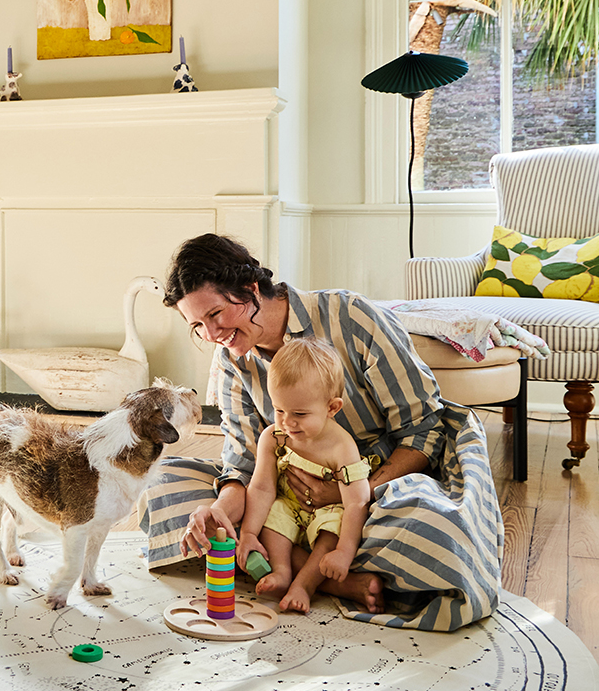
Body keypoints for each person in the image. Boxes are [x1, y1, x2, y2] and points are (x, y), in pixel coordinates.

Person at [141, 233, 504, 632]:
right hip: (281, 495)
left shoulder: (351, 317)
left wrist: (350, 492)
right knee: (163, 489)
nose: (211, 335)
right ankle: (339, 579)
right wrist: (219, 515)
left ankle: (307, 566)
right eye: (198, 326)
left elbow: (422, 430)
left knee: (435, 528)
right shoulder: (232, 361)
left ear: (249, 289)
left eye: (215, 315)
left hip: (377, 484)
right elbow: (243, 464)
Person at [236, 336, 371, 613]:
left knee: (334, 524)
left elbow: (356, 502)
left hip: (327, 511)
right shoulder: (274, 437)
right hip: (290, 505)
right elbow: (261, 488)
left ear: (332, 408)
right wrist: (248, 533)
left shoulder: (341, 446)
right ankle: (282, 571)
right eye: (279, 409)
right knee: (273, 513)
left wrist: (344, 553)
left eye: (299, 413)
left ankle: (304, 586)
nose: (287, 422)